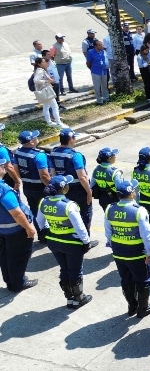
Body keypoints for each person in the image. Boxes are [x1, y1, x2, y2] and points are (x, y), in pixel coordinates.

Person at [105, 179, 150, 318]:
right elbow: (146, 234)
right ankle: (143, 308)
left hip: (118, 251)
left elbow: (108, 232)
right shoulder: (139, 211)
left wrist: (115, 246)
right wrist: (149, 252)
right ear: (131, 193)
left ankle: (132, 306)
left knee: (126, 279)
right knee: (143, 280)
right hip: (136, 253)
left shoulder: (110, 208)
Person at [36, 175, 92, 308]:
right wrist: (86, 242)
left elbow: (39, 222)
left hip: (54, 242)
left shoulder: (44, 202)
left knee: (64, 269)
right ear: (64, 188)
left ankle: (69, 298)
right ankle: (79, 298)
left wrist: (48, 230)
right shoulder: (69, 205)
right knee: (75, 270)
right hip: (72, 243)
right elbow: (79, 227)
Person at [49, 128, 97, 248]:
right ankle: (84, 242)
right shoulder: (75, 156)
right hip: (78, 190)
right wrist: (89, 192)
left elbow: (52, 173)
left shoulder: (53, 152)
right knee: (84, 215)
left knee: (68, 214)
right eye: (74, 137)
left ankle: (70, 238)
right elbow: (82, 177)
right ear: (71, 139)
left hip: (62, 189)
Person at [0, 158, 37, 292]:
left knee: (4, 256)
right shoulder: (3, 190)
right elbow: (16, 213)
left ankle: (10, 280)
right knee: (18, 257)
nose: (4, 166)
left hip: (2, 230)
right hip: (15, 230)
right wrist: (29, 228)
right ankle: (18, 283)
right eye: (1, 165)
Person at [14, 130, 52, 242]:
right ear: (31, 142)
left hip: (27, 187)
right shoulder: (39, 155)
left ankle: (42, 235)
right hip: (40, 188)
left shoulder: (18, 152)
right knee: (48, 211)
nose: (37, 138)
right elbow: (44, 175)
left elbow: (16, 169)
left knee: (35, 211)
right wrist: (51, 187)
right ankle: (50, 235)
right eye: (35, 137)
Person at [32, 57, 67, 127]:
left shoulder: (40, 70)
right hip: (46, 91)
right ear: (39, 64)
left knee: (46, 106)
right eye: (44, 62)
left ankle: (49, 122)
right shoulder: (40, 71)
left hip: (44, 90)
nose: (46, 63)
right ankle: (58, 123)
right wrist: (47, 81)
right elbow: (35, 80)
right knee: (55, 106)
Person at [89, 147, 124, 212]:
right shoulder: (115, 172)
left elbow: (91, 186)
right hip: (115, 199)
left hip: (102, 199)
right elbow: (120, 190)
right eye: (114, 155)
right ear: (109, 158)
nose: (115, 157)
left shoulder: (96, 170)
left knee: (107, 216)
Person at [86, 39, 109, 105]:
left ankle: (106, 98)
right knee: (97, 87)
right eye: (100, 45)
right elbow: (88, 63)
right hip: (96, 72)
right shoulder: (91, 52)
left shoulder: (103, 51)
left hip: (104, 71)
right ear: (95, 46)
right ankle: (99, 100)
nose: (101, 46)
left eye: (102, 45)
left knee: (105, 85)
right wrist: (92, 69)